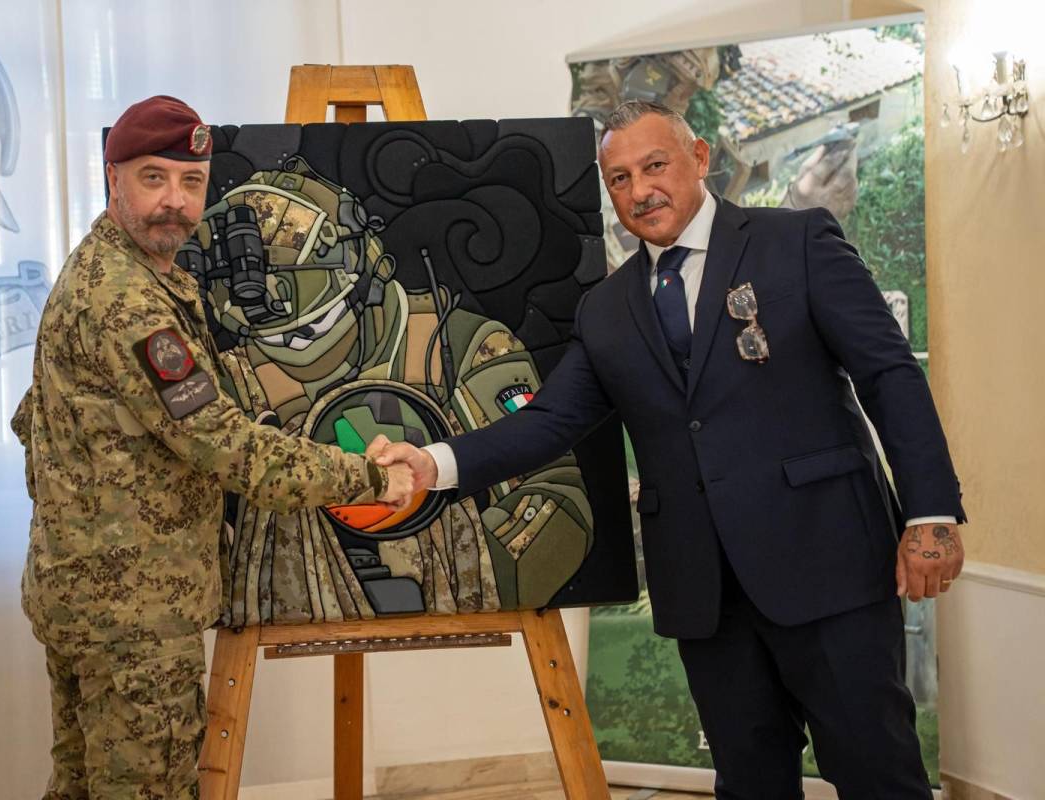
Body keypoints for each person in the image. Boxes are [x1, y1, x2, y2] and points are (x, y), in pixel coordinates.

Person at [376, 100, 965, 799]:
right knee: (748, 782)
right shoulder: (607, 309)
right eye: (618, 178)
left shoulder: (798, 243)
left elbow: (889, 374)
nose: (639, 191)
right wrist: (433, 463)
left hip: (829, 563)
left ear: (701, 158)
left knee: (878, 773)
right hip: (704, 590)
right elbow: (549, 421)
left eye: (654, 166)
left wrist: (930, 514)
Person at [10, 95, 412, 800]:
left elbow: (30, 421)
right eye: (153, 178)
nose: (174, 201)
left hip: (91, 594)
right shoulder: (127, 301)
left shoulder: (123, 273)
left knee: (80, 785)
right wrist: (369, 476)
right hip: (133, 610)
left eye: (190, 182)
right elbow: (224, 446)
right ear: (114, 182)